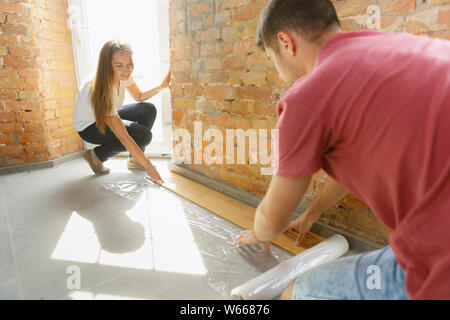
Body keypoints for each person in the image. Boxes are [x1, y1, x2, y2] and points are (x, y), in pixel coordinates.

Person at [235, 0, 449, 299]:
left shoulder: (304, 99)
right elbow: (363, 162)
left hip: (441, 254)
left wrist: (257, 235)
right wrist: (311, 214)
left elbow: (273, 220)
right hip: (434, 231)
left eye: (272, 58)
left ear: (285, 42)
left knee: (294, 292)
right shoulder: (388, 48)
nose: (278, 69)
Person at [73, 40, 170, 184]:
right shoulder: (100, 89)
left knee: (148, 109)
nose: (127, 70)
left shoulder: (123, 75)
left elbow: (139, 96)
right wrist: (149, 166)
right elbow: (124, 136)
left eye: (129, 63)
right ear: (107, 65)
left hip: (105, 114)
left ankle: (135, 159)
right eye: (119, 65)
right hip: (89, 126)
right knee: (144, 136)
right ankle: (96, 156)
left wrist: (161, 87)